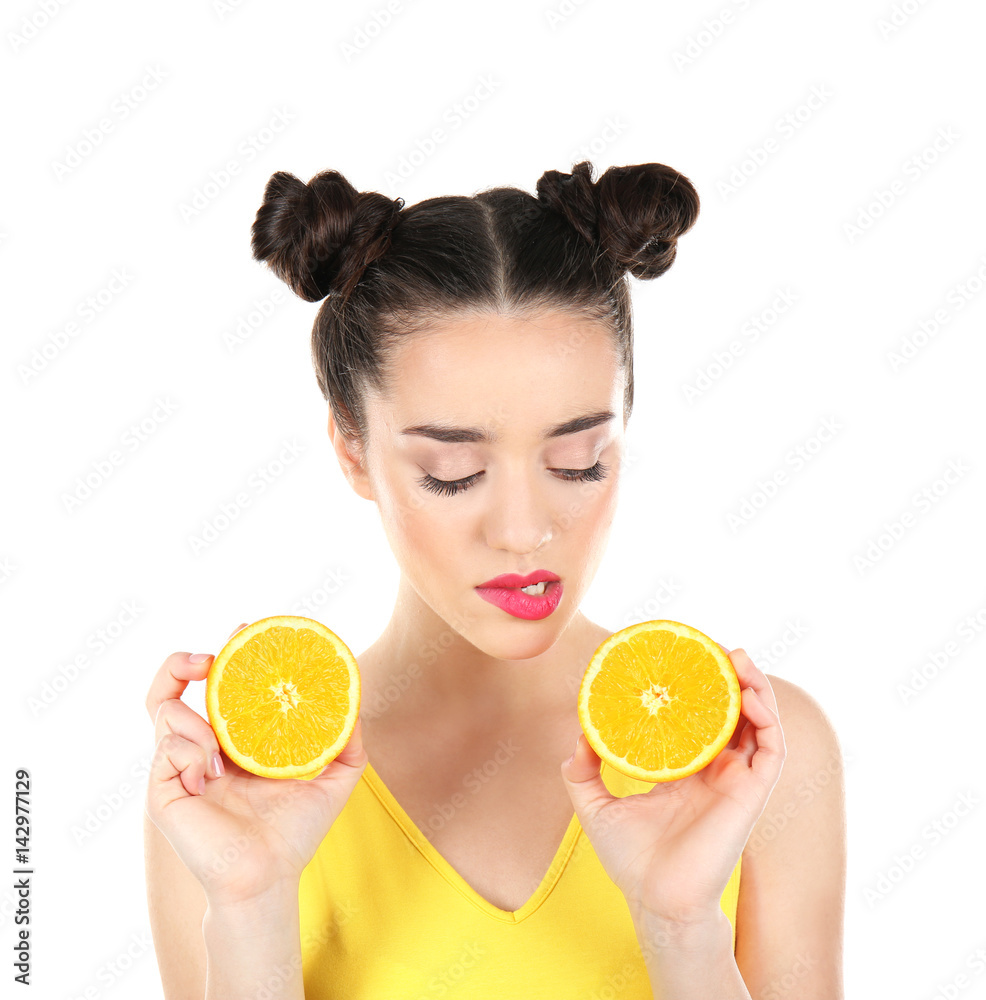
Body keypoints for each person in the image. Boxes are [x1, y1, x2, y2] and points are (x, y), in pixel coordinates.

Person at [144, 160, 846, 998]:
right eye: (452, 472)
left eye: (577, 462)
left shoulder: (751, 754)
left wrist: (680, 927)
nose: (523, 531)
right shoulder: (235, 781)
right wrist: (253, 907)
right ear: (352, 449)